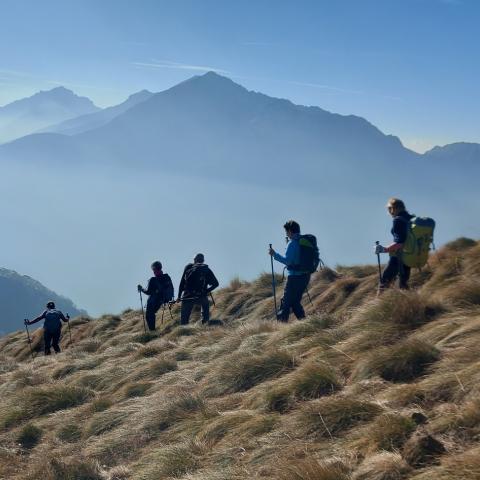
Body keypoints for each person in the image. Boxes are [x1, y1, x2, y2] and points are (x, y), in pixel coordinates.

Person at [269, 220, 311, 322]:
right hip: (305, 277)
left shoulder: (292, 244)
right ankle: (304, 323)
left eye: (287, 232)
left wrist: (274, 254)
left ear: (290, 231)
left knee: (285, 302)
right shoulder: (303, 242)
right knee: (295, 302)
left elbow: (287, 261)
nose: (286, 234)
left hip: (294, 278)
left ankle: (281, 328)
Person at [375, 198, 414, 290]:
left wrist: (383, 249)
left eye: (389, 208)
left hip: (398, 257)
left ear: (394, 208)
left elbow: (400, 242)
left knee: (384, 281)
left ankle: (379, 303)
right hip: (411, 255)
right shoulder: (411, 218)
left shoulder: (398, 220)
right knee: (403, 283)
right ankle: (412, 303)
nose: (389, 212)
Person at [177, 253, 219, 325]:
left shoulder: (188, 267)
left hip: (187, 296)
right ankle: (205, 324)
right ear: (203, 260)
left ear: (194, 260)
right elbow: (216, 284)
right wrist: (206, 291)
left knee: (184, 320)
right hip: (201, 296)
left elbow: (182, 283)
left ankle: (183, 331)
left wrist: (179, 296)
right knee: (205, 305)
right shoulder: (206, 269)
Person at [138, 261, 174, 330]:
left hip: (154, 301)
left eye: (153, 269)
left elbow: (148, 292)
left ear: (154, 269)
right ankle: (153, 330)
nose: (153, 271)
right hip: (164, 299)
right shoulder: (167, 277)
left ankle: (152, 331)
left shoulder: (153, 280)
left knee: (149, 315)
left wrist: (141, 289)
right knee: (151, 314)